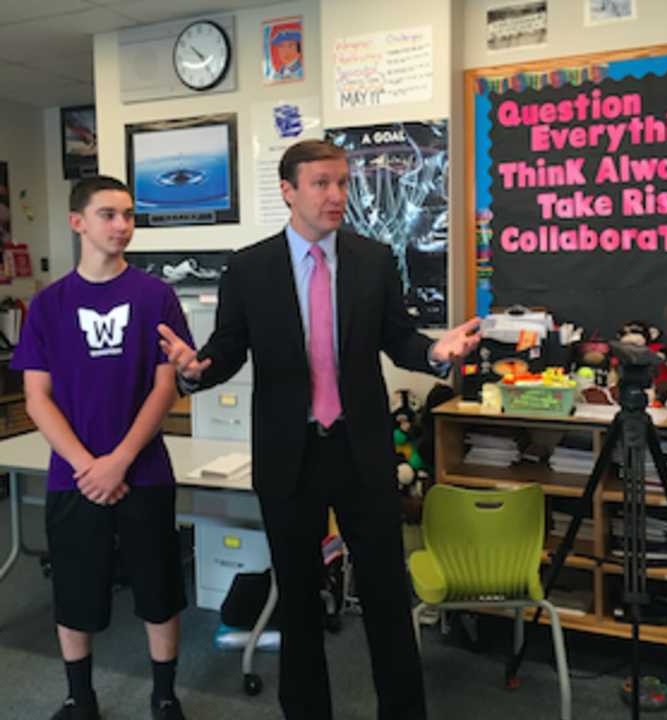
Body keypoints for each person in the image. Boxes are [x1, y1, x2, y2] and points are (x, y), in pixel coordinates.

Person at [158, 139, 481, 720]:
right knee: (299, 597)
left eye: (342, 183)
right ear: (289, 191)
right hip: (291, 454)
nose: (337, 195)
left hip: (361, 452)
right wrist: (196, 371)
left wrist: (436, 351)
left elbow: (398, 339)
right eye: (322, 184)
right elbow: (227, 350)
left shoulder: (373, 259)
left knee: (384, 594)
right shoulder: (249, 268)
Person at [11, 176, 193, 720]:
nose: (122, 226)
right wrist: (88, 465)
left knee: (158, 588)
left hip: (145, 471)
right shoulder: (47, 305)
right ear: (78, 223)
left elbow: (166, 387)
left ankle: (164, 697)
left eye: (129, 215)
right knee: (75, 591)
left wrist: (118, 461)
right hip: (74, 476)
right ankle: (80, 697)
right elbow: (37, 397)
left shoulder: (156, 295)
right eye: (109, 215)